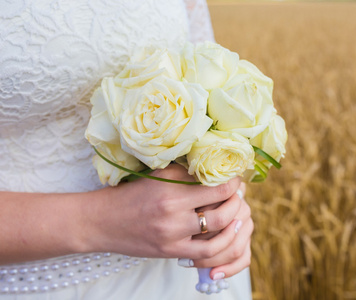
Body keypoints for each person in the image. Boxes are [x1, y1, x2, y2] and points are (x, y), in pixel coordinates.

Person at [0, 0, 254, 299]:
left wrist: (223, 209)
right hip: (36, 284)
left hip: (185, 273)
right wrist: (98, 220)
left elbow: (208, 79)